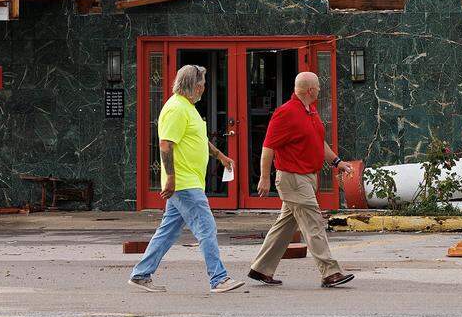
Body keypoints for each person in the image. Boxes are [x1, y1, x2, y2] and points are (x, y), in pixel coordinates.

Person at [129, 64, 244, 293]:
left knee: (168, 231)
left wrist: (220, 156)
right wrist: (171, 177)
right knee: (206, 227)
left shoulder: (188, 107)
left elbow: (199, 139)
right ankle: (218, 278)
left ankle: (141, 274)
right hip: (184, 183)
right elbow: (165, 144)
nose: (204, 87)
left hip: (187, 181)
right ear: (193, 84)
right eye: (202, 83)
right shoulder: (176, 109)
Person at [248, 71, 355, 288]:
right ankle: (330, 272)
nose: (320, 90)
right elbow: (268, 148)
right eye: (318, 87)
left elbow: (319, 142)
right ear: (311, 90)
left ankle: (261, 268)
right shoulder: (285, 113)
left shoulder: (310, 111)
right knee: (313, 222)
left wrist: (337, 162)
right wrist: (264, 178)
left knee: (285, 226)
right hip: (292, 178)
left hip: (306, 177)